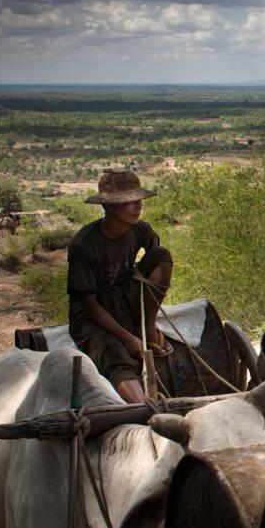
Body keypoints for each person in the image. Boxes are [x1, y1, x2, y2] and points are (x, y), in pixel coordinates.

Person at [68, 169, 174, 403]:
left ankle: (148, 326)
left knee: (161, 254)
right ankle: (145, 410)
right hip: (91, 314)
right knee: (114, 353)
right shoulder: (84, 246)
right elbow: (88, 305)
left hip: (124, 298)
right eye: (129, 202)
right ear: (110, 207)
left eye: (139, 200)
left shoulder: (140, 230)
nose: (138, 206)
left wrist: (146, 320)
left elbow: (154, 256)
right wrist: (128, 338)